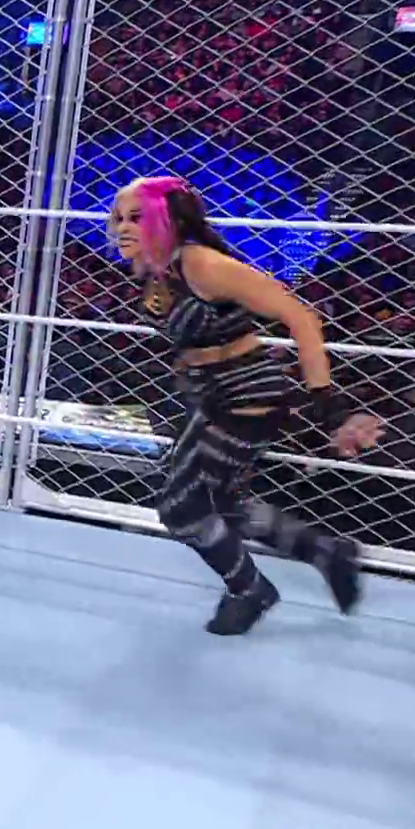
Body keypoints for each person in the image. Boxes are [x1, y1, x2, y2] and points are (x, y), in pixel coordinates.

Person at [114, 176, 380, 635]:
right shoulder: (158, 268)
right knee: (222, 504)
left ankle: (249, 590)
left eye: (136, 217)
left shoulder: (201, 263)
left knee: (182, 510)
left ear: (168, 220)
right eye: (119, 217)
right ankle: (326, 552)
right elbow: (195, 339)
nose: (122, 227)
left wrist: (325, 399)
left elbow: (300, 316)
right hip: (210, 398)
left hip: (247, 401)